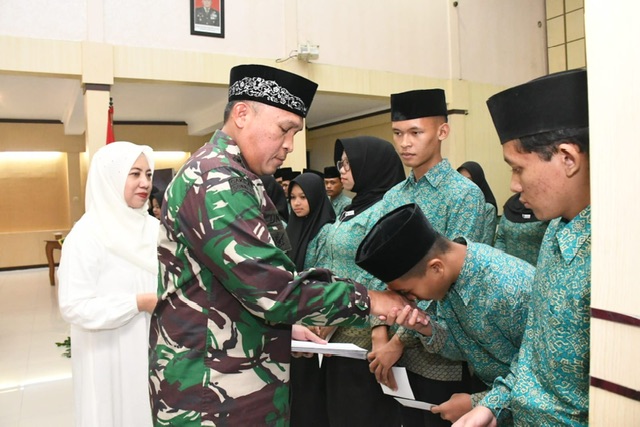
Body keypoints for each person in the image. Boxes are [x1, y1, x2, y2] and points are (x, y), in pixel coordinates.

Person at [149, 64, 413, 426]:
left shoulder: (238, 175)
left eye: (295, 133)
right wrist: (372, 300)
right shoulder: (216, 180)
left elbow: (243, 285)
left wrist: (289, 328)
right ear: (242, 114)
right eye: (284, 129)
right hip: (212, 393)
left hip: (235, 379)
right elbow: (272, 290)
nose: (289, 144)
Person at [454, 68, 591, 426]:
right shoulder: (555, 232)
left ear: (568, 159)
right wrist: (491, 406)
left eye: (518, 168)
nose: (513, 185)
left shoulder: (613, 255)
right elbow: (533, 350)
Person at [356, 203, 534, 424]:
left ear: (436, 268)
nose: (409, 299)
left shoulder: (509, 288)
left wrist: (478, 402)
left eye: (407, 291)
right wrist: (424, 327)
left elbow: (539, 372)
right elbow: (464, 349)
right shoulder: (451, 278)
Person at [375, 88, 487, 427]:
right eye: (397, 133)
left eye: (415, 132)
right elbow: (377, 272)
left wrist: (400, 339)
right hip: (393, 353)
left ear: (442, 131)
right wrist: (380, 333)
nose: (405, 143)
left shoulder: (464, 195)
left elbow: (453, 282)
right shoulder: (393, 196)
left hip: (442, 355)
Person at [57, 141, 159, 427]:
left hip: (151, 350)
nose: (145, 182)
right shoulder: (87, 236)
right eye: (134, 173)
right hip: (106, 354)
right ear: (110, 178)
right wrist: (137, 303)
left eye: (148, 174)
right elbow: (73, 306)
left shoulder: (154, 228)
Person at [310, 135, 406, 427]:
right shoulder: (351, 207)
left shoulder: (384, 209)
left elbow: (378, 270)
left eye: (349, 164)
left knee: (362, 410)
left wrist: (339, 312)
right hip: (336, 327)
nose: (342, 170)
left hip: (365, 330)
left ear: (371, 166)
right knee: (338, 409)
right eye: (340, 163)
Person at [285, 172, 336, 427]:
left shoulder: (327, 231)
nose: (297, 203)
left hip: (317, 321)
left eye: (303, 197)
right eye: (293, 197)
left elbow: (326, 277)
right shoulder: (290, 230)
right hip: (291, 318)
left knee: (311, 393)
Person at [494, 193, 549, 266]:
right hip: (510, 266)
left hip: (539, 268)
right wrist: (498, 263)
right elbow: (500, 238)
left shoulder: (550, 208)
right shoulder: (511, 205)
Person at [456, 161, 498, 245]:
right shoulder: (457, 204)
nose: (464, 184)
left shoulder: (488, 208)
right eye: (461, 179)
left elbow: (486, 243)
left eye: (469, 180)